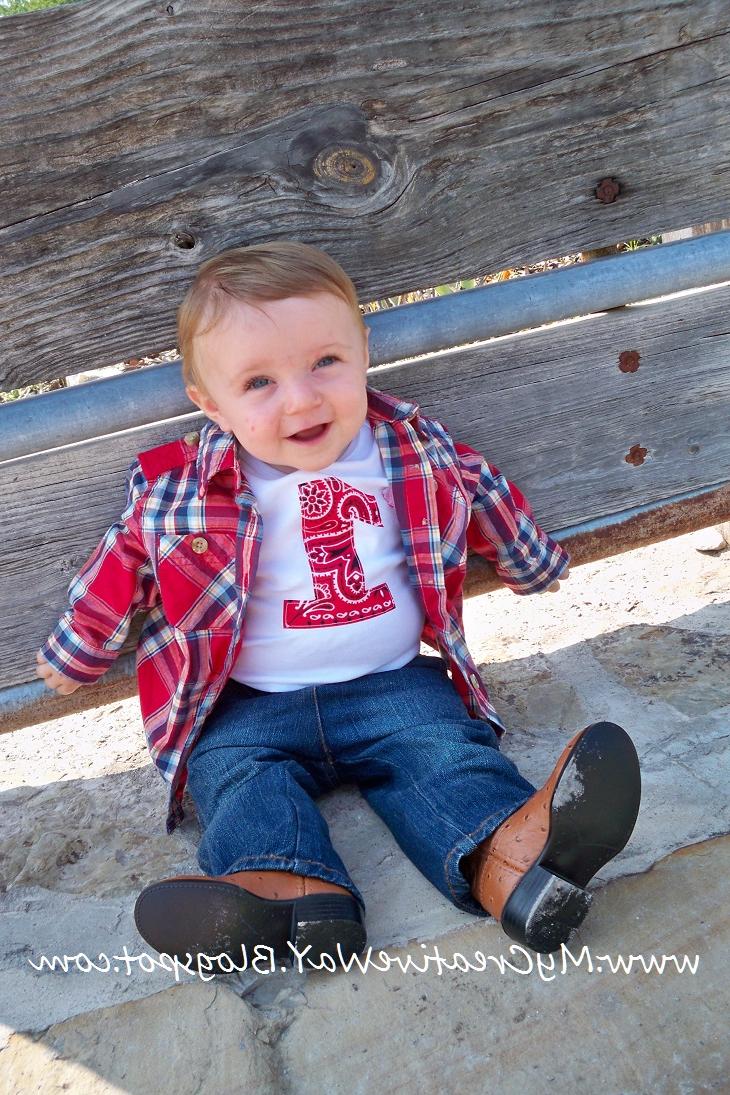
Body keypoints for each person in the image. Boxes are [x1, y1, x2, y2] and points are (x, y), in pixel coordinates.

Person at [36, 241, 641, 968]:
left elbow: (478, 488)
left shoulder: (410, 448)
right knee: (234, 778)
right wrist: (79, 650)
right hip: (247, 705)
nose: (302, 397)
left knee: (444, 751)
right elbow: (124, 561)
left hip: (392, 680)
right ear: (210, 403)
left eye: (326, 361)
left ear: (363, 352)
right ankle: (286, 896)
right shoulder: (180, 489)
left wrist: (529, 561)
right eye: (258, 381)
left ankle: (516, 862)